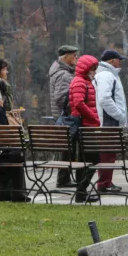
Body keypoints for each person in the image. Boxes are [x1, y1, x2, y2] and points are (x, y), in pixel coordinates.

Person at [93, 49, 128, 195]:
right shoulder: (106, 75)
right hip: (108, 122)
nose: (120, 62)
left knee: (109, 154)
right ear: (112, 61)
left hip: (109, 121)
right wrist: (120, 115)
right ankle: (104, 184)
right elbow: (104, 99)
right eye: (119, 59)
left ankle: (106, 182)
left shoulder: (105, 74)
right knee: (107, 154)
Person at [68, 54, 102, 203]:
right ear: (85, 69)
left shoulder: (85, 82)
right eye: (92, 69)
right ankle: (81, 190)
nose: (94, 72)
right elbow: (79, 103)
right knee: (93, 159)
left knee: (86, 160)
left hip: (87, 126)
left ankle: (81, 192)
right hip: (85, 126)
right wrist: (94, 118)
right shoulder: (80, 82)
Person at [49, 44, 78, 188]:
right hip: (65, 117)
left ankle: (64, 178)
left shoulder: (60, 71)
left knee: (67, 149)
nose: (76, 58)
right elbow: (60, 98)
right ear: (65, 56)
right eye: (74, 55)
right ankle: (63, 179)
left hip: (59, 116)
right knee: (67, 150)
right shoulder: (64, 74)